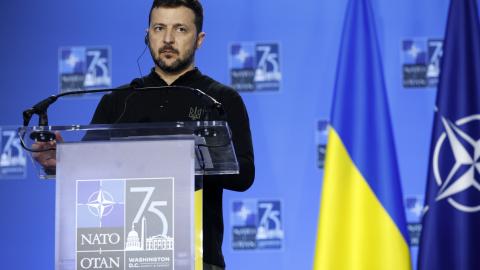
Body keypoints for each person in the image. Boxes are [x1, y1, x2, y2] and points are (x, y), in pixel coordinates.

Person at [33, 1, 255, 269]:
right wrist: (63, 162)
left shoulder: (221, 99)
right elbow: (89, 171)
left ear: (199, 39)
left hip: (197, 257)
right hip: (122, 255)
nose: (168, 39)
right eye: (159, 28)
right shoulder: (118, 100)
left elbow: (244, 175)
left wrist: (194, 158)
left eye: (181, 29)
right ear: (147, 34)